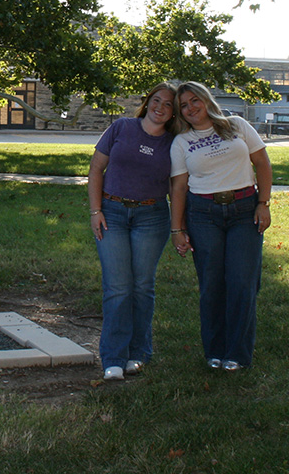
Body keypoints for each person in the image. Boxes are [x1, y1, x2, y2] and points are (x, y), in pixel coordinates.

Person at [169, 81, 273, 371]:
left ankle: (238, 353)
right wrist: (177, 229)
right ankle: (214, 350)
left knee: (242, 282)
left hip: (244, 210)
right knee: (212, 284)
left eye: (194, 101)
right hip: (203, 214)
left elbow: (262, 163)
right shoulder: (182, 142)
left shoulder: (236, 125)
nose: (190, 108)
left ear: (206, 99)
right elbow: (178, 187)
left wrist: (263, 203)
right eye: (184, 106)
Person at [88, 82, 179, 381]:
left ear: (173, 111)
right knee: (118, 287)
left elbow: (176, 186)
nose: (160, 107)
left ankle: (137, 354)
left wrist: (181, 226)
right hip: (112, 213)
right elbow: (96, 169)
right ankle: (113, 357)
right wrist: (95, 211)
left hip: (152, 217)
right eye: (156, 100)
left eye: (168, 104)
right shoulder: (121, 127)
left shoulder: (174, 142)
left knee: (141, 287)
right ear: (147, 101)